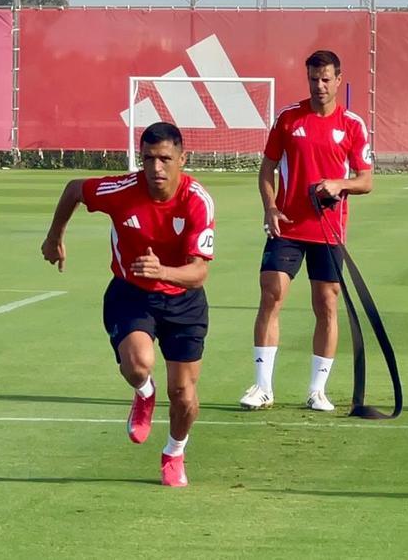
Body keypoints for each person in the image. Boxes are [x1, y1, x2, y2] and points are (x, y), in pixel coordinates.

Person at [41, 122, 214, 488]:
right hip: (131, 292)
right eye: (148, 159)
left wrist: (163, 270)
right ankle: (144, 392)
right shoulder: (122, 189)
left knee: (183, 395)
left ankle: (174, 450)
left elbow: (199, 273)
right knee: (138, 364)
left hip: (184, 301)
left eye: (165, 159)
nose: (156, 168)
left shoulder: (197, 200)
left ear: (183, 159)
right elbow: (74, 190)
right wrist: (55, 236)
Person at [240, 50, 373, 412]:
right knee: (271, 293)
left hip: (329, 230)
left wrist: (338, 184)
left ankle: (317, 390)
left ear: (338, 79)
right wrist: (270, 207)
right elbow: (267, 170)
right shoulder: (288, 118)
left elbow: (365, 181)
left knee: (326, 304)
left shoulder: (352, 125)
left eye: (326, 79)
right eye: (313, 79)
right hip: (287, 226)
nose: (319, 85)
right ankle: (262, 386)